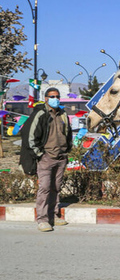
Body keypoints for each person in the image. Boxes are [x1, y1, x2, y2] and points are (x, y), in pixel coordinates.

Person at [23, 87, 73, 232]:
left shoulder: (63, 114)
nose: (55, 99)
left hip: (61, 157)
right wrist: (40, 154)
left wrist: (67, 150)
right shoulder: (41, 114)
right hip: (46, 158)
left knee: (56, 188)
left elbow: (68, 134)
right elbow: (30, 137)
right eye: (52, 96)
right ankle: (43, 219)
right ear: (46, 98)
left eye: (57, 96)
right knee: (44, 188)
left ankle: (54, 215)